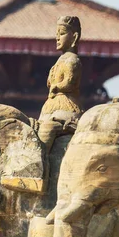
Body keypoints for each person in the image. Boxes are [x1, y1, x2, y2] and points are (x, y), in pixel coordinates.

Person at [38, 15, 83, 152]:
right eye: (57, 34)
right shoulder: (60, 60)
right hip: (50, 105)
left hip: (66, 107)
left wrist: (57, 86)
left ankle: (41, 163)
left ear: (74, 37)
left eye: (62, 34)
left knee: (46, 132)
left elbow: (69, 82)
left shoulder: (72, 60)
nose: (57, 38)